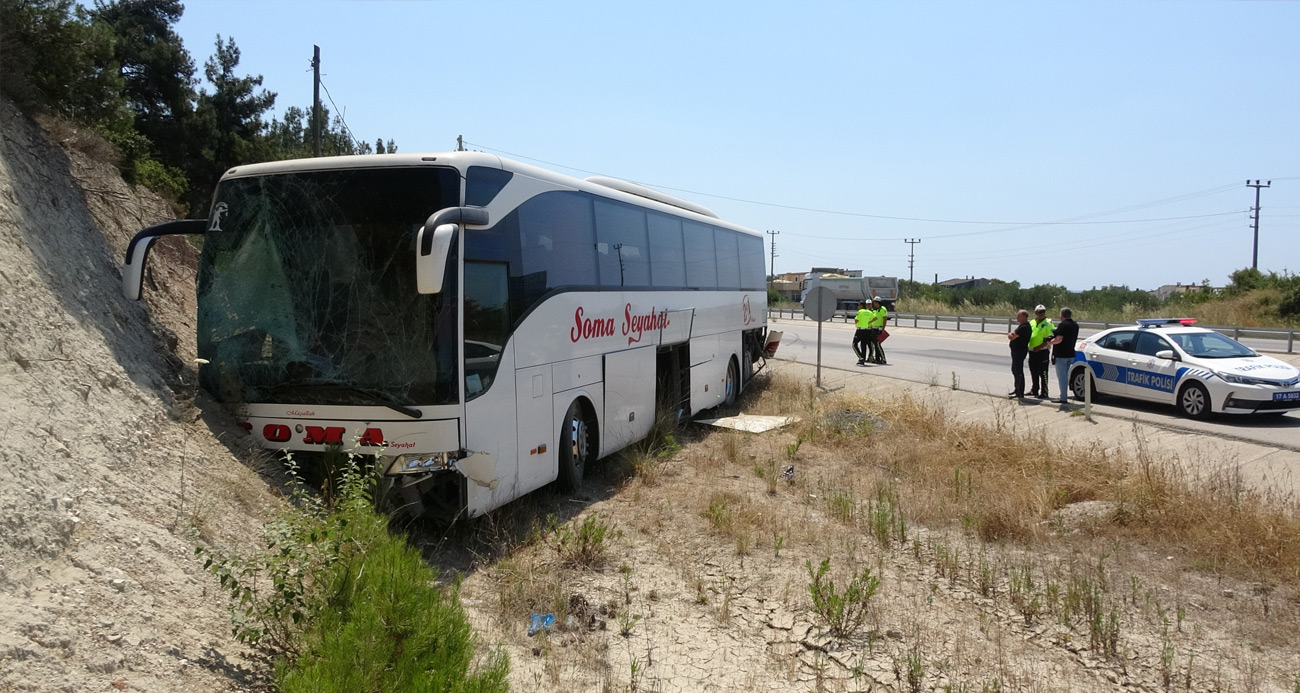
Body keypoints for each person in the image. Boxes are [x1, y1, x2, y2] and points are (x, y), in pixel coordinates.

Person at [1049, 307, 1080, 405]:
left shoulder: (1063, 325)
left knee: (1062, 377)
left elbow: (1059, 339)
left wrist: (1050, 341)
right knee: (1066, 376)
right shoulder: (1075, 325)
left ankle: (1063, 398)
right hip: (1071, 353)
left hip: (1061, 354)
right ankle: (1064, 395)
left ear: (1062, 315)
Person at [1027, 304, 1054, 399]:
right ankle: (1034, 389)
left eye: (1043, 311)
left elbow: (1051, 337)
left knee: (1043, 372)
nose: (1042, 313)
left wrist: (1040, 346)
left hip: (1042, 350)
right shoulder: (1032, 322)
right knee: (1033, 371)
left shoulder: (1048, 322)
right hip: (1032, 350)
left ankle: (1045, 391)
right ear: (1036, 313)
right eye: (1040, 312)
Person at [1007, 309, 1031, 399]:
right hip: (1016, 351)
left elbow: (1012, 337)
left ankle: (1020, 392)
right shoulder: (1021, 326)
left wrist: (1010, 334)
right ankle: (1017, 389)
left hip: (1019, 351)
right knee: (1014, 370)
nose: (1017, 318)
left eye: (1018, 316)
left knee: (1018, 371)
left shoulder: (1024, 327)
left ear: (1024, 317)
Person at [867, 296, 889, 364]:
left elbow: (885, 319)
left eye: (874, 302)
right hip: (874, 329)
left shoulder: (882, 309)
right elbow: (875, 318)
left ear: (877, 302)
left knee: (878, 344)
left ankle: (883, 359)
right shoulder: (876, 310)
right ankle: (877, 359)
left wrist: (883, 329)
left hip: (879, 329)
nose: (874, 304)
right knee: (875, 345)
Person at [852, 300, 871, 366]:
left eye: (859, 305)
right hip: (867, 330)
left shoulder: (860, 311)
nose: (858, 306)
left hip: (860, 330)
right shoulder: (869, 312)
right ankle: (863, 360)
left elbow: (856, 320)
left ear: (861, 305)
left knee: (854, 344)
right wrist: (868, 322)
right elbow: (875, 318)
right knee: (863, 345)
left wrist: (857, 323)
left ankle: (861, 357)